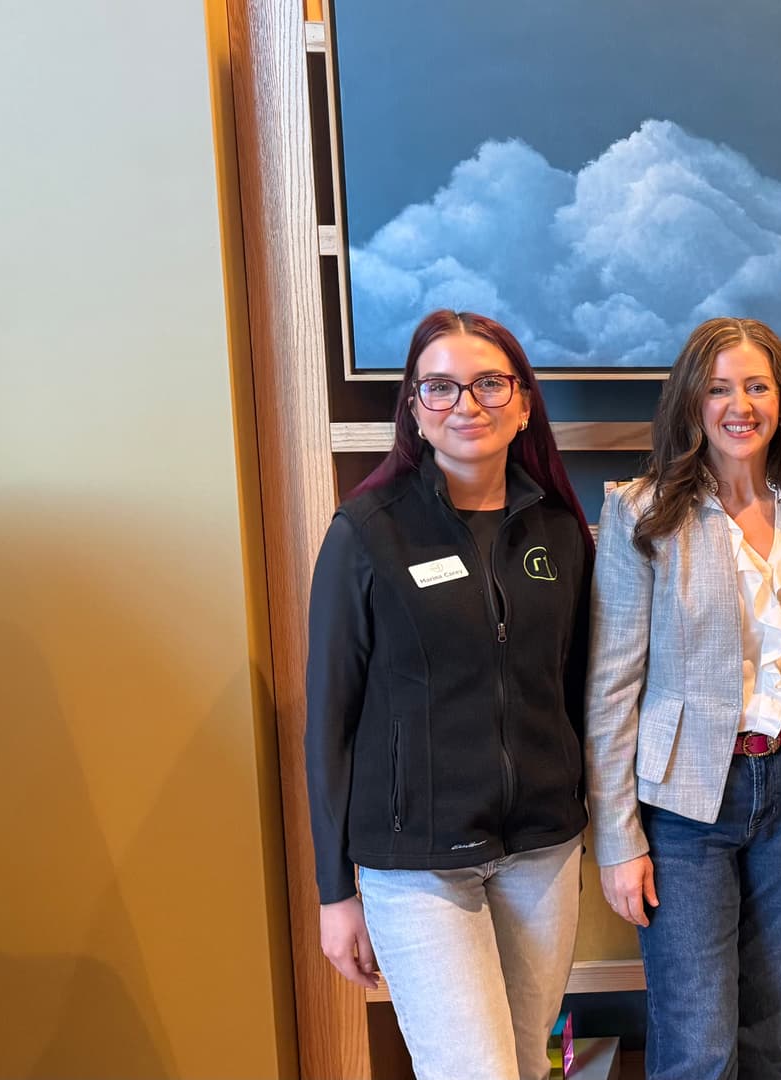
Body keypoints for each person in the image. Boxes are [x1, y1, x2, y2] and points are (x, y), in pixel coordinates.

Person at [305, 309, 594, 1080]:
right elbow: (328, 721)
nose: (467, 404)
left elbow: (576, 690)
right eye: (441, 386)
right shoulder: (367, 532)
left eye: (489, 383)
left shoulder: (561, 533)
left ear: (524, 402)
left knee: (532, 1067)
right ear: (413, 407)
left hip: (541, 853)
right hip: (417, 864)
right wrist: (336, 894)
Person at [585, 317, 781, 1080]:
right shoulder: (643, 512)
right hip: (685, 804)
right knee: (699, 1042)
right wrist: (619, 838)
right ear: (691, 402)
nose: (740, 405)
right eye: (719, 387)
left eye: (757, 386)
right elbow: (610, 688)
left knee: (777, 1025)